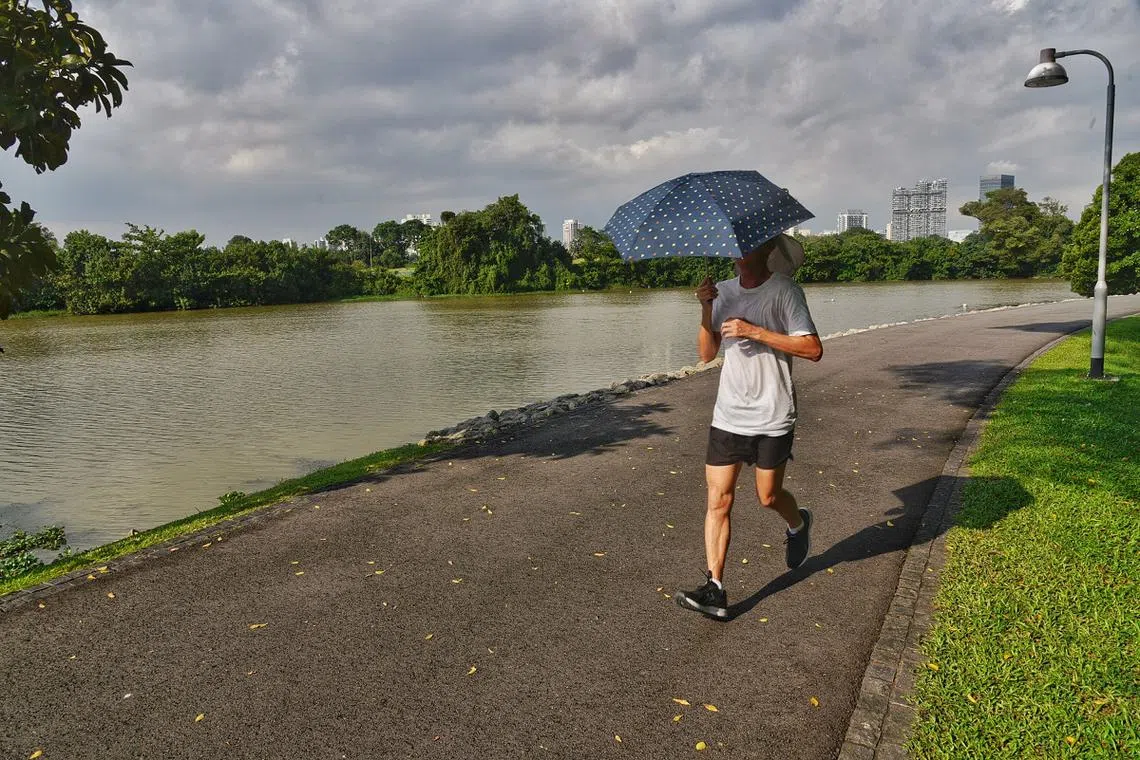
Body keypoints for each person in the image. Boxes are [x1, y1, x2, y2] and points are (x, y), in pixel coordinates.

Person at [674, 234, 823, 619]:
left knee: (768, 497)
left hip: (773, 414)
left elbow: (812, 349)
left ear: (767, 250)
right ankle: (715, 588)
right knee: (718, 500)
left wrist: (754, 330)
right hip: (729, 415)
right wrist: (707, 311)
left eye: (749, 246)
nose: (740, 254)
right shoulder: (721, 292)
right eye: (735, 247)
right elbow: (707, 355)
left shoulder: (786, 292)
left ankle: (797, 521)